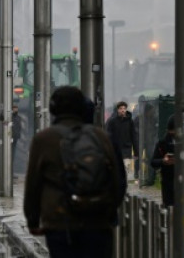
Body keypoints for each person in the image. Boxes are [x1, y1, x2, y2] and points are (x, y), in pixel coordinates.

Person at [24, 86, 123, 257]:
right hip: (97, 222)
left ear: (54, 108)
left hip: (60, 224)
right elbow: (118, 181)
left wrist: (33, 220)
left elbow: (33, 184)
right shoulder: (101, 137)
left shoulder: (44, 139)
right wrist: (107, 212)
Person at [105, 101, 138, 182]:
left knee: (125, 168)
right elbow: (108, 135)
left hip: (127, 149)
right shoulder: (112, 121)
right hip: (115, 149)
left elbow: (134, 136)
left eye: (124, 108)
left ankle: (123, 188)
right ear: (117, 110)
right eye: (121, 108)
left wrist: (136, 151)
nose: (123, 110)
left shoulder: (130, 121)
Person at [149, 116, 176, 207]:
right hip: (168, 181)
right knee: (170, 209)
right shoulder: (162, 143)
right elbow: (153, 162)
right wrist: (163, 161)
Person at [11, 104, 22, 173]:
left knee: (13, 155)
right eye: (14, 108)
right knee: (11, 154)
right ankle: (10, 172)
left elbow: (19, 127)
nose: (16, 110)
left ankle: (12, 171)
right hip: (11, 138)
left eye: (16, 108)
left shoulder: (19, 118)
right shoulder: (10, 117)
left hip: (15, 138)